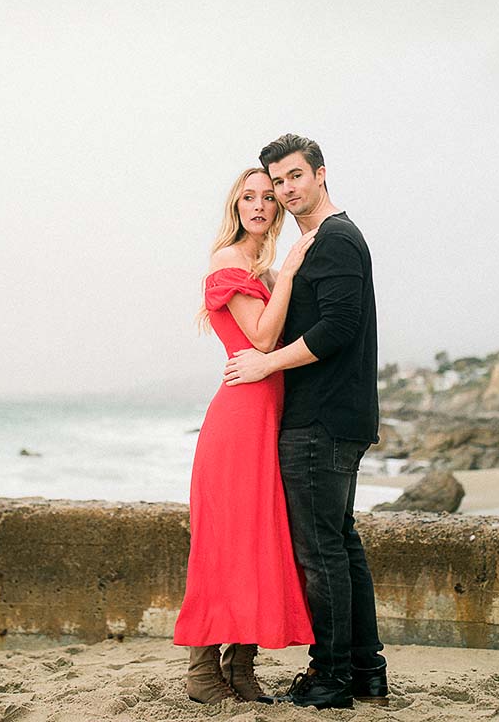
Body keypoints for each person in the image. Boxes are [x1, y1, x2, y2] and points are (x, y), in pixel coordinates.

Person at [223, 134, 388, 710]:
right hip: (336, 416)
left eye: (295, 177)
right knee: (341, 544)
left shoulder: (336, 239)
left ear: (320, 174)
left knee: (321, 552)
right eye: (278, 181)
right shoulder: (321, 242)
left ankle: (332, 677)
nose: (286, 190)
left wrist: (266, 361)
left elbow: (338, 328)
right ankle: (365, 672)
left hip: (320, 419)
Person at [173, 167, 318, 704]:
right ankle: (203, 674)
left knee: (256, 541)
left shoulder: (260, 265)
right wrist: (290, 271)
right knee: (225, 543)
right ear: (234, 206)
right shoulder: (230, 260)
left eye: (267, 197)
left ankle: (241, 670)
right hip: (238, 420)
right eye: (247, 197)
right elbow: (260, 337)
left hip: (265, 418)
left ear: (279, 208)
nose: (258, 205)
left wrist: (281, 273)